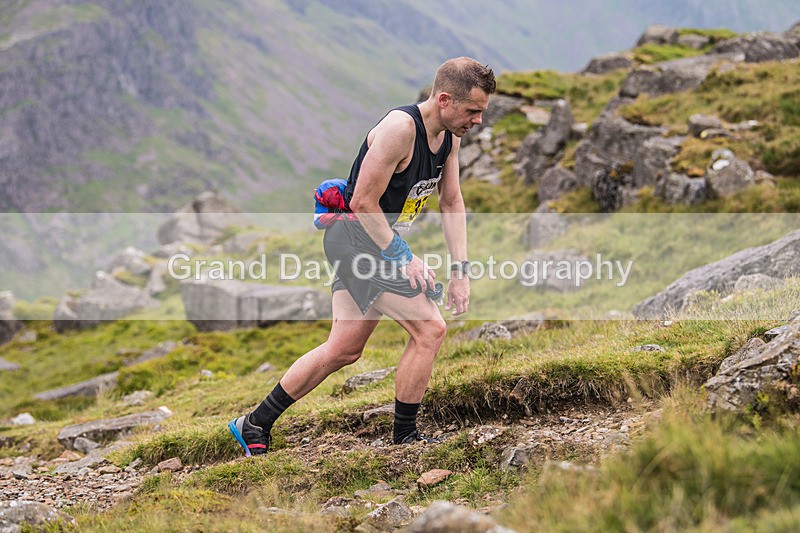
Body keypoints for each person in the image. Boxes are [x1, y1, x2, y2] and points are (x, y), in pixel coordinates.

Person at [229, 57, 496, 456]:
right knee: (430, 330)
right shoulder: (400, 130)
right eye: (473, 111)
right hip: (355, 240)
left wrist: (461, 271)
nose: (477, 121)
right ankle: (405, 438)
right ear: (444, 99)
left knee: (344, 348)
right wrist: (403, 256)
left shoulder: (451, 136)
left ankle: (255, 423)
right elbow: (362, 201)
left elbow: (452, 201)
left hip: (376, 243)